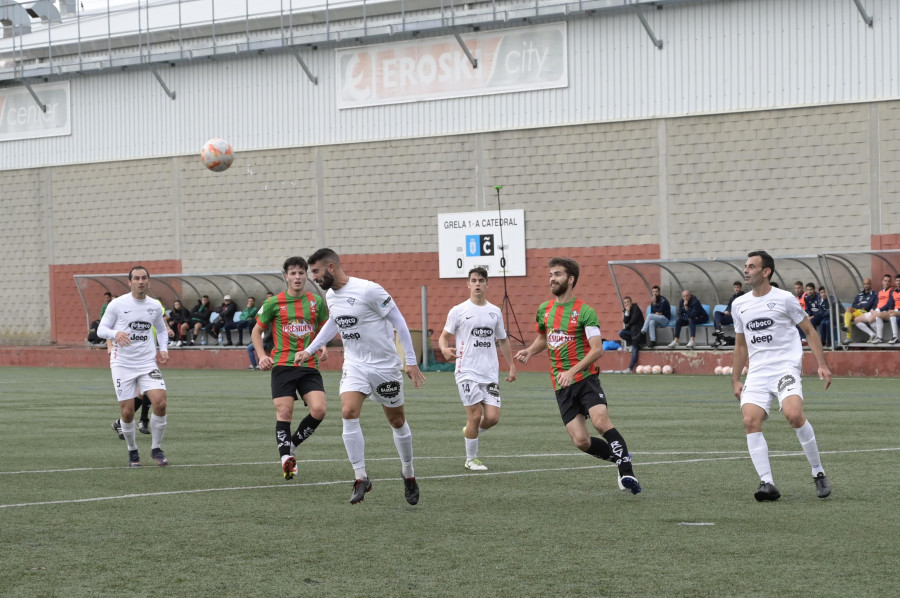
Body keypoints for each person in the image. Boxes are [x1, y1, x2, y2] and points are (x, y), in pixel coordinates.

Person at [295, 248, 426, 505]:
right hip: (355, 364)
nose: (314, 278)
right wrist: (309, 349)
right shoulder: (331, 295)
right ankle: (360, 477)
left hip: (385, 366)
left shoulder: (369, 290)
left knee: (397, 421)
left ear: (331, 268)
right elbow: (334, 322)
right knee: (348, 412)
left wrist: (410, 361)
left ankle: (408, 473)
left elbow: (399, 322)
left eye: (317, 272)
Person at [514, 257, 641, 494]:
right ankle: (618, 458)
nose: (552, 278)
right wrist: (530, 351)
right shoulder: (544, 310)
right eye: (551, 274)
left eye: (558, 274)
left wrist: (572, 372)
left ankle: (626, 472)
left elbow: (597, 349)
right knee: (581, 441)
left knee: (601, 421)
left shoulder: (585, 311)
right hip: (561, 384)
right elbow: (544, 337)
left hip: (585, 379)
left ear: (571, 279)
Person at [731, 251, 832, 502]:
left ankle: (818, 472)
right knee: (750, 420)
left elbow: (809, 329)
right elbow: (741, 346)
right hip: (757, 373)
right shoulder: (739, 304)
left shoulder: (785, 299)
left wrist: (822, 364)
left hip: (785, 369)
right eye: (745, 266)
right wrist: (735, 378)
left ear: (766, 272)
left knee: (794, 415)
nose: (746, 270)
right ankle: (767, 483)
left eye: (752, 266)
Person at [251, 257, 330, 480]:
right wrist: (262, 356)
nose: (297, 277)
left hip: (309, 365)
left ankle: (292, 444)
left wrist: (322, 345)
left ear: (306, 275)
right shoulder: (274, 303)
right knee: (284, 411)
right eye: (293, 273)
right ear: (285, 276)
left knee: (319, 410)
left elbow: (324, 328)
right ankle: (286, 459)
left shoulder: (316, 302)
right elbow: (257, 331)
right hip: (283, 365)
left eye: (301, 273)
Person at [438, 267, 517, 471]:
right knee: (474, 415)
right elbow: (443, 337)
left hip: (489, 372)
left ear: (487, 284)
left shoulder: (495, 311)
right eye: (473, 280)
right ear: (468, 284)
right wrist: (444, 349)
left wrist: (512, 366)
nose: (477, 284)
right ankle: (471, 459)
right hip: (467, 371)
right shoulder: (458, 310)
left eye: (481, 280)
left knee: (492, 418)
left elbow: (503, 340)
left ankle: (470, 431)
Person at [97, 265, 170, 467]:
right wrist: (115, 334)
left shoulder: (154, 305)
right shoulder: (117, 304)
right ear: (129, 282)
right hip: (122, 364)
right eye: (136, 278)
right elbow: (101, 329)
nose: (140, 281)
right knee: (128, 412)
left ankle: (156, 448)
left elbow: (162, 330)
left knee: (160, 402)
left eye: (144, 278)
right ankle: (132, 451)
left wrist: (163, 349)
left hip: (147, 363)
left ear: (148, 281)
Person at [842, 278, 876, 344]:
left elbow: (868, 305)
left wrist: (859, 305)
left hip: (866, 312)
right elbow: (853, 304)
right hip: (858, 310)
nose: (866, 285)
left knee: (849, 316)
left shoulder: (873, 294)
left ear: (871, 284)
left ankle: (848, 337)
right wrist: (860, 306)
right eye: (864, 284)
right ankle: (846, 326)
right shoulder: (859, 294)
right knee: (848, 309)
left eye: (868, 284)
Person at [863, 274, 895, 344]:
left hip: (886, 311)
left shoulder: (892, 291)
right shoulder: (879, 292)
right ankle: (875, 335)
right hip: (877, 310)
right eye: (885, 281)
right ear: (882, 282)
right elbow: (875, 303)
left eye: (889, 281)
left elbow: (889, 304)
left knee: (873, 318)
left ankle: (879, 337)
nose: (887, 282)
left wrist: (878, 311)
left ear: (891, 282)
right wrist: (872, 310)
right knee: (857, 319)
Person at [712, 281, 745, 345]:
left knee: (715, 320)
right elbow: (729, 307)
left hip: (736, 316)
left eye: (738, 287)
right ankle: (719, 332)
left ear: (741, 288)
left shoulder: (743, 297)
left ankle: (719, 336)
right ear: (733, 288)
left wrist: (732, 311)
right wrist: (727, 311)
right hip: (730, 315)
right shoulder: (732, 298)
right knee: (717, 313)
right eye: (735, 287)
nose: (736, 289)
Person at [617, 296, 644, 372]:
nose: (627, 304)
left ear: (631, 302)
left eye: (628, 302)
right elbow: (625, 321)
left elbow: (634, 320)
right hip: (632, 333)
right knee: (620, 332)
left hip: (638, 333)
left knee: (635, 349)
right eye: (625, 303)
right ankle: (632, 344)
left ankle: (630, 368)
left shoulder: (636, 308)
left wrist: (628, 324)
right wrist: (627, 312)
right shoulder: (627, 310)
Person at [886, 274, 900, 344]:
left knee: (892, 314)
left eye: (899, 281)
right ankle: (878, 337)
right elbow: (891, 304)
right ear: (895, 282)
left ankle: (895, 337)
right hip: (895, 311)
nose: (898, 282)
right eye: (897, 281)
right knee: (878, 316)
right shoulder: (893, 292)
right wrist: (890, 309)